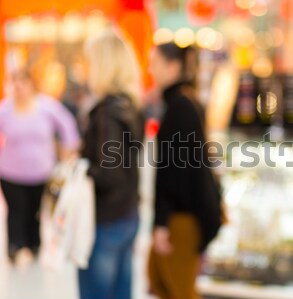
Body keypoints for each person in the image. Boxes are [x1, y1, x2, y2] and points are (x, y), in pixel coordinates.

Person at [147, 42, 222, 299]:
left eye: (154, 63)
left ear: (173, 66)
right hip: (183, 217)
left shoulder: (180, 106)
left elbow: (175, 172)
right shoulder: (185, 102)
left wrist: (161, 222)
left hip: (181, 220)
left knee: (178, 290)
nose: (150, 70)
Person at [79, 30, 144, 299]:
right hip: (127, 213)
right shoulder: (130, 105)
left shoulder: (108, 112)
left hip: (105, 218)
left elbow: (109, 172)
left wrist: (81, 168)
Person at [0, 68, 80, 265]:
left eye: (22, 82)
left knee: (35, 211)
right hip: (11, 172)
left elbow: (68, 126)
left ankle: (34, 245)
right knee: (16, 210)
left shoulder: (46, 107)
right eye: (14, 82)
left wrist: (69, 150)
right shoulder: (5, 110)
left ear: (30, 84)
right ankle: (16, 247)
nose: (18, 87)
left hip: (41, 172)